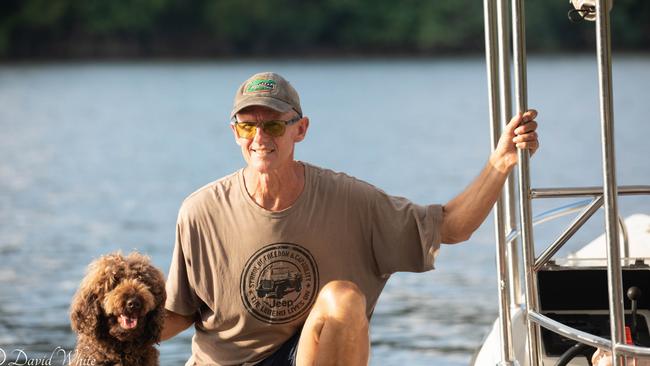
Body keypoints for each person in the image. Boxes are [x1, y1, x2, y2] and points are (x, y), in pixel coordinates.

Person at [160, 71, 539, 366]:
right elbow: (177, 314)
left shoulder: (349, 201)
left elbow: (453, 226)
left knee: (343, 298)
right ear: (235, 133)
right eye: (247, 126)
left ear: (300, 129)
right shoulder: (200, 211)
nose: (259, 137)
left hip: (304, 356)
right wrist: (107, 326)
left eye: (273, 125)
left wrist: (501, 162)